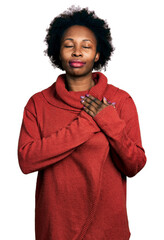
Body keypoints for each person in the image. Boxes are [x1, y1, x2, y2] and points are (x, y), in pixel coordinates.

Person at [17, 6, 147, 240]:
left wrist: (109, 121)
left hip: (108, 232)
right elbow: (27, 160)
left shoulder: (120, 101)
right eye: (69, 45)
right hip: (55, 230)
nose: (77, 52)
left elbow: (134, 164)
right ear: (58, 51)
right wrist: (87, 124)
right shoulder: (38, 103)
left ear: (98, 54)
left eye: (86, 46)